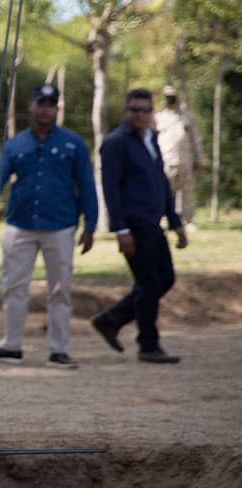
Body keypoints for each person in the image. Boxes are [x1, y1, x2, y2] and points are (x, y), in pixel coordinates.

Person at [0, 84, 97, 369]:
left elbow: (87, 184)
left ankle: (59, 350)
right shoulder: (16, 144)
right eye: (41, 103)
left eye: (51, 104)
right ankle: (11, 345)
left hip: (60, 226)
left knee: (60, 289)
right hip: (21, 225)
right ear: (31, 106)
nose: (46, 109)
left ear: (57, 108)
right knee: (13, 286)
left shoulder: (73, 143)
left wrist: (90, 224)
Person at [91, 88, 187, 364]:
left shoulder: (151, 139)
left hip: (154, 223)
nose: (141, 115)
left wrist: (176, 221)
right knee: (148, 283)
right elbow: (111, 189)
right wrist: (121, 230)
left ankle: (111, 319)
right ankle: (148, 345)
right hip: (133, 224)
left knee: (164, 279)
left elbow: (162, 183)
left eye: (146, 110)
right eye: (135, 110)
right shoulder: (116, 143)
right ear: (126, 111)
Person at [153, 85, 204, 226]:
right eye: (167, 96)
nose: (170, 98)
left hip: (185, 160)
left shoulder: (186, 116)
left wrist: (199, 158)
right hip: (166, 160)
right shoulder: (158, 118)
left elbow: (195, 139)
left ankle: (187, 220)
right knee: (163, 191)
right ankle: (163, 219)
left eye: (172, 95)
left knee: (187, 191)